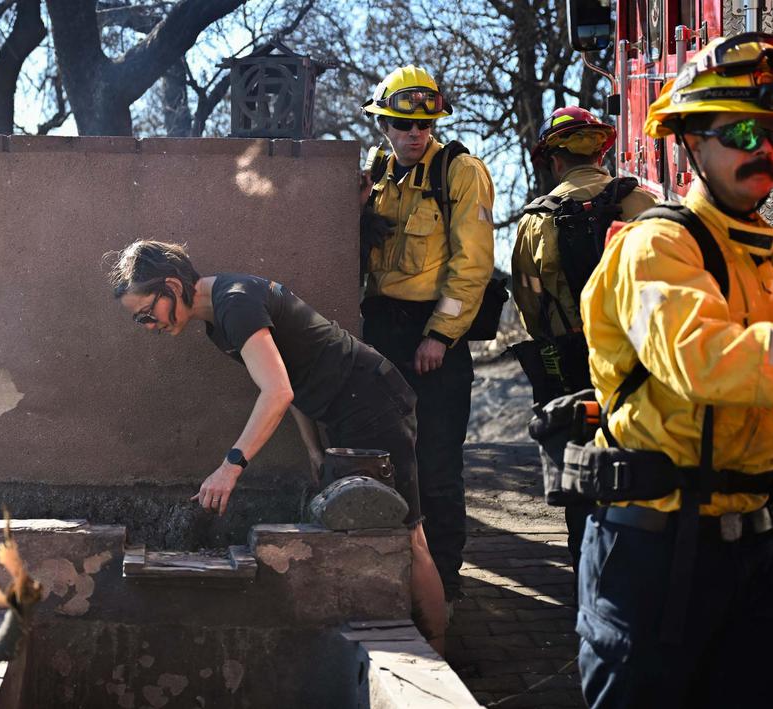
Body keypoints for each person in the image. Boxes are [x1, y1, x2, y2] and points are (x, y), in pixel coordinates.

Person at [106, 240, 447, 652]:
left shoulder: (235, 304)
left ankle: (439, 653)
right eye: (139, 320)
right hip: (347, 411)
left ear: (173, 287)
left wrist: (230, 466)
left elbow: (277, 391)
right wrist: (314, 450)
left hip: (373, 404)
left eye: (146, 314)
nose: (149, 326)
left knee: (407, 535)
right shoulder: (220, 321)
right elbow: (290, 383)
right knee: (388, 532)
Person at [574, 33, 773, 708]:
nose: (762, 148)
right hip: (651, 557)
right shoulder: (657, 245)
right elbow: (704, 363)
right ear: (691, 142)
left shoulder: (762, 252)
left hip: (751, 550)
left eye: (771, 132)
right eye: (742, 130)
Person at [358, 65, 496, 604]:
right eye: (400, 123)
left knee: (437, 466)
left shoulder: (461, 172)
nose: (414, 133)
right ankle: (389, 579)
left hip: (434, 336)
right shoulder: (375, 174)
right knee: (381, 460)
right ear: (383, 126)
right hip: (381, 330)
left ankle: (445, 587)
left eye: (424, 123)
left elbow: (473, 265)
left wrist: (440, 334)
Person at [511, 106, 656, 574]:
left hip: (570, 367)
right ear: (601, 150)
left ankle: (588, 580)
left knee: (580, 476)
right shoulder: (644, 203)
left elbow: (529, 305)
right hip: (642, 362)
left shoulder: (535, 221)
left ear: (554, 161)